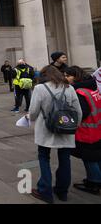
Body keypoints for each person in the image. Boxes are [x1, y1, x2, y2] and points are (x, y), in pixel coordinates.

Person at [28, 65, 82, 204]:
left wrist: (29, 118)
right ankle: (62, 191)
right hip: (66, 128)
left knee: (43, 158)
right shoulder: (69, 88)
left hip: (46, 128)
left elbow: (33, 112)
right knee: (65, 160)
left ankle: (44, 191)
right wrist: (74, 126)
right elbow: (78, 111)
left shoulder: (40, 88)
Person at [64, 66, 101, 195]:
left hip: (87, 129)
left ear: (75, 76)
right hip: (97, 127)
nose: (65, 78)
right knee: (96, 156)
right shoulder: (92, 88)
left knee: (89, 158)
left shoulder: (79, 92)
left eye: (67, 76)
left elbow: (82, 113)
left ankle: (94, 182)